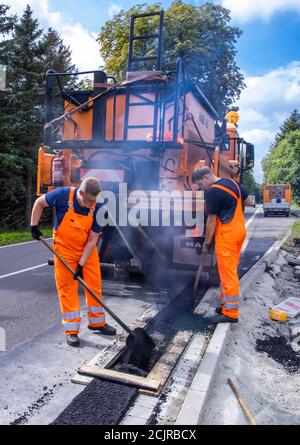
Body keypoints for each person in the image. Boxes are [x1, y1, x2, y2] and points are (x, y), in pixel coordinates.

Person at [30, 177, 116, 346]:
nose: (92, 204)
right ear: (81, 193)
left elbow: (93, 240)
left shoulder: (98, 208)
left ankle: (97, 323)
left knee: (94, 285)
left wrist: (81, 265)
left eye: (95, 200)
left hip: (87, 249)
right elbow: (39, 203)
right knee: (67, 288)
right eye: (90, 200)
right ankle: (72, 330)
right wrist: (34, 226)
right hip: (65, 250)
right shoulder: (63, 195)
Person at [192, 166, 252, 323]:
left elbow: (211, 221)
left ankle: (231, 313)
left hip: (227, 236)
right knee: (227, 271)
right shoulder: (232, 183)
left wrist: (206, 243)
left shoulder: (212, 192)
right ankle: (224, 304)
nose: (201, 188)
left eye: (200, 184)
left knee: (228, 274)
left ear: (206, 177)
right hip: (239, 231)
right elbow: (248, 201)